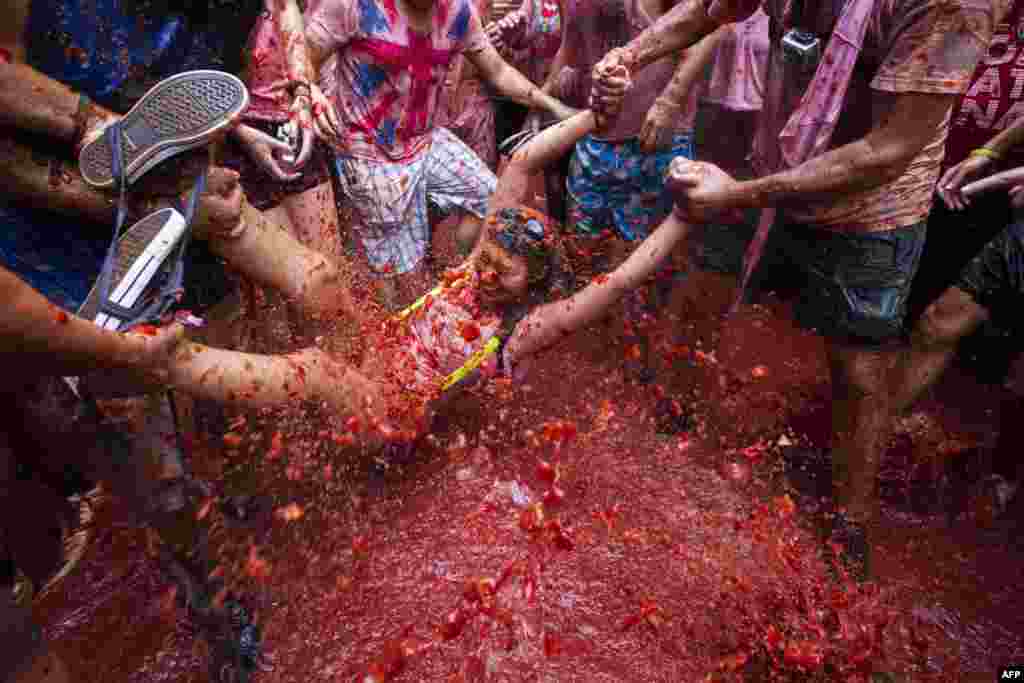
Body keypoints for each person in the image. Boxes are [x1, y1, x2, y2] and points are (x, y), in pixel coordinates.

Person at [591, 0, 1006, 580]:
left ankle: (849, 525)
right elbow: (707, 11)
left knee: (858, 372)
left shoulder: (953, 5)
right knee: (701, 290)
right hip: (775, 153)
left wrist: (737, 195)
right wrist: (626, 58)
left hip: (875, 205)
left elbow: (889, 150)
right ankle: (670, 427)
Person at [155, 105, 698, 445]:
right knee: (326, 287)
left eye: (501, 276)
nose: (484, 276)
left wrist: (680, 218)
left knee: (315, 370)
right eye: (485, 261)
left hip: (398, 411)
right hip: (381, 355)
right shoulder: (471, 271)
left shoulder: (521, 332)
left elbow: (621, 281)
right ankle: (221, 218)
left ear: (529, 288)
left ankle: (167, 360)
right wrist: (591, 120)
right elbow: (521, 166)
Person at [303, 0, 577, 311]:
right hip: (370, 154)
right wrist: (310, 93)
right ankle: (400, 336)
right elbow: (304, 56)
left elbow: (499, 71)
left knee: (492, 202)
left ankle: (457, 275)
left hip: (426, 139)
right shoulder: (354, 6)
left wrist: (555, 107)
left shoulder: (457, 12)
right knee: (401, 270)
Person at [892, 0, 1024, 520]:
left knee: (1019, 376)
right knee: (936, 318)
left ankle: (1002, 475)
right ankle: (870, 434)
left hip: (999, 193)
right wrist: (992, 156)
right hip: (984, 190)